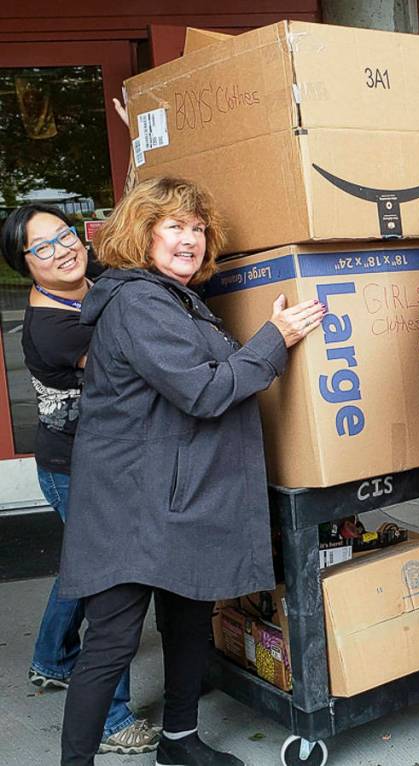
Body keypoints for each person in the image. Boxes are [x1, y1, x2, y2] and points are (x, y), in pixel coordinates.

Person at [56, 176, 325, 766]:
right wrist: (274, 339)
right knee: (111, 642)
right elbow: (203, 391)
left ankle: (179, 741)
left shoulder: (175, 297)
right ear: (142, 234)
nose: (190, 240)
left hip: (173, 491)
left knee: (187, 619)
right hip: (130, 500)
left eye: (198, 229)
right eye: (174, 226)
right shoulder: (138, 301)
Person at [0, 205, 161, 755]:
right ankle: (113, 722)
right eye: (41, 247)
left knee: (81, 567)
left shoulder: (87, 282)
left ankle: (50, 658)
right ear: (23, 265)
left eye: (64, 235)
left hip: (89, 459)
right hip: (78, 469)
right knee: (109, 587)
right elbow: (134, 359)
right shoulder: (52, 327)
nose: (61, 249)